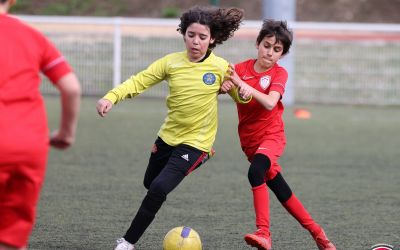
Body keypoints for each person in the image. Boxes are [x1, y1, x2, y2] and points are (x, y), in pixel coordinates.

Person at [96, 6, 244, 250]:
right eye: (191, 35)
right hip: (167, 137)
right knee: (150, 182)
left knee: (159, 188)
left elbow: (243, 100)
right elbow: (139, 80)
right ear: (183, 34)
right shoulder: (170, 63)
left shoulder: (221, 67)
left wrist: (236, 88)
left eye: (202, 37)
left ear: (213, 39)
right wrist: (111, 97)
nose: (196, 41)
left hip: (196, 142)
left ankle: (128, 242)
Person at [221, 20, 336, 250]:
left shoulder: (279, 73)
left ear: (282, 54)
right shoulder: (239, 69)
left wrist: (243, 85)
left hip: (271, 137)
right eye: (267, 45)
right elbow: (226, 88)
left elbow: (270, 102)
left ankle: (264, 233)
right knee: (283, 192)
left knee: (256, 172)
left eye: (277, 50)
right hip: (250, 142)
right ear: (257, 44)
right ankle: (319, 235)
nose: (270, 52)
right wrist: (224, 87)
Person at [0, 0, 81, 249]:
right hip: (27, 146)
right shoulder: (32, 36)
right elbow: (71, 88)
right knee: (11, 239)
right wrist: (66, 134)